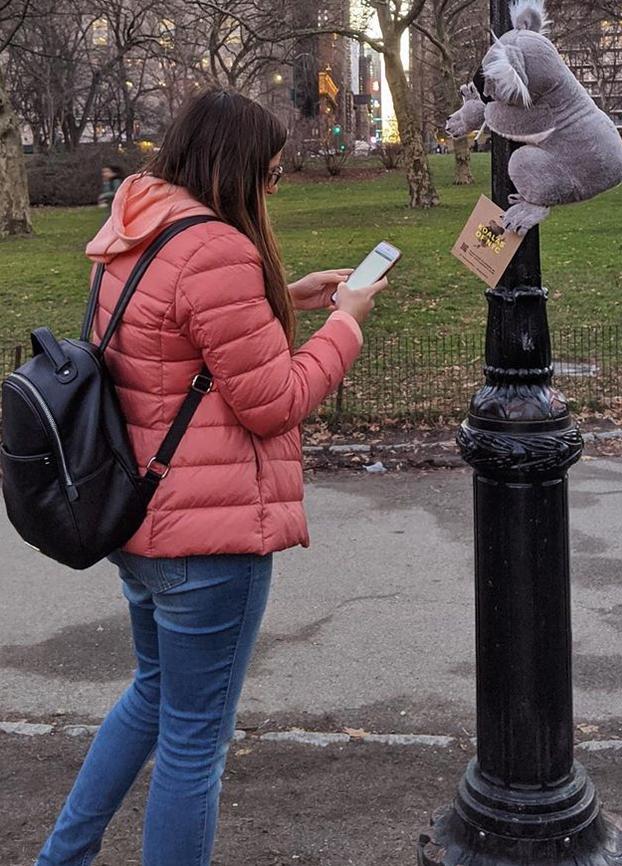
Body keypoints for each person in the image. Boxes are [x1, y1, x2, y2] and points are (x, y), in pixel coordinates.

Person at [36, 88, 387, 866]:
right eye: (269, 174)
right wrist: (347, 323)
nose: (271, 189)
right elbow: (274, 403)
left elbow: (173, 346)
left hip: (143, 518)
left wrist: (283, 303)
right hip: (208, 539)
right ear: (234, 168)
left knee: (153, 695)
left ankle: (62, 856)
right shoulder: (219, 249)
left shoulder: (135, 226)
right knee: (195, 744)